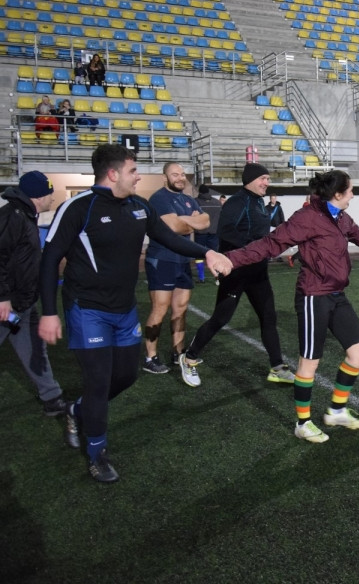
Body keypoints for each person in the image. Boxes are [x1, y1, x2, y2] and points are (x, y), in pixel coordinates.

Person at [37, 144, 231, 483]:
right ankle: (97, 453)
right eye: (133, 171)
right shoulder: (78, 207)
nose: (138, 176)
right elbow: (49, 259)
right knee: (99, 382)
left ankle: (76, 409)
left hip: (124, 309)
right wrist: (49, 313)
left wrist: (206, 253)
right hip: (87, 309)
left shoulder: (139, 206)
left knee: (126, 376)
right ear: (113, 174)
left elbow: (169, 238)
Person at [225, 170, 359, 442]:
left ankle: (336, 411)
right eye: (350, 190)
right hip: (313, 296)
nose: (353, 194)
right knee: (309, 363)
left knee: (358, 353)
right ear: (337, 194)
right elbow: (271, 244)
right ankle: (303, 424)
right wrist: (231, 259)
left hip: (337, 295)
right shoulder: (307, 217)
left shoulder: (341, 217)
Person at [178, 163, 295, 388]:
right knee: (221, 318)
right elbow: (226, 231)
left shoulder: (259, 202)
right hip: (236, 270)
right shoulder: (237, 202)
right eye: (263, 178)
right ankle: (189, 357)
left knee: (268, 317)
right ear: (250, 179)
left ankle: (277, 367)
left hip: (257, 270)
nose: (267, 183)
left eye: (268, 179)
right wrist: (251, 249)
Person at [0, 171, 67, 417]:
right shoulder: (12, 217)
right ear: (39, 196)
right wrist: (2, 297)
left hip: (23, 303)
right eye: (50, 193)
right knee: (34, 349)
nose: (52, 198)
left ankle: (52, 398)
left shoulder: (24, 215)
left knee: (35, 349)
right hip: (8, 305)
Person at [141, 162, 209, 375]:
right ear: (165, 177)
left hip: (182, 260)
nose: (180, 178)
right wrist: (191, 222)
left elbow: (205, 221)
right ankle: (150, 357)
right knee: (160, 309)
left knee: (181, 309)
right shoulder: (159, 199)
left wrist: (185, 221)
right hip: (162, 260)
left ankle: (178, 353)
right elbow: (174, 227)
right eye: (174, 174)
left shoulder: (189, 199)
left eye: (182, 174)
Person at [194, 184, 222, 282]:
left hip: (200, 232)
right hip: (214, 232)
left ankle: (201, 277)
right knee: (215, 255)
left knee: (199, 255)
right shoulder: (217, 203)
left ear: (200, 192)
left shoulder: (196, 202)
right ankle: (217, 277)